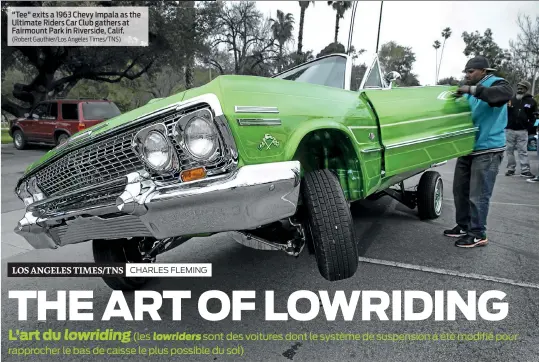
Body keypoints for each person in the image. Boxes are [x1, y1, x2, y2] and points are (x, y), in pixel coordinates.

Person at [443, 56, 513, 248]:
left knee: (478, 195)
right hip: (467, 148)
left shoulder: (497, 83)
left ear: (484, 71)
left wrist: (471, 90)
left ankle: (477, 233)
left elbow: (504, 95)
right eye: (466, 71)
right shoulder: (467, 90)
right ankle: (464, 226)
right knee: (460, 190)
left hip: (488, 149)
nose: (467, 75)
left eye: (471, 71)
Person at [505, 80, 537, 178]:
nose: (519, 89)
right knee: (509, 150)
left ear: (526, 89)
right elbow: (505, 113)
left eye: (522, 87)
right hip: (509, 129)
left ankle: (525, 170)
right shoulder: (511, 99)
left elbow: (534, 116)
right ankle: (511, 169)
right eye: (518, 87)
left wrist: (528, 127)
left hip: (523, 131)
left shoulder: (531, 101)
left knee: (523, 151)